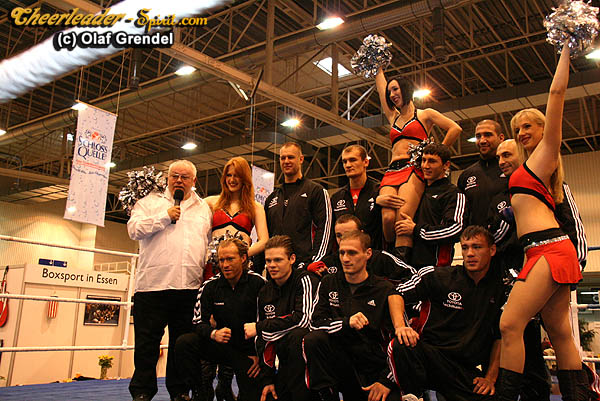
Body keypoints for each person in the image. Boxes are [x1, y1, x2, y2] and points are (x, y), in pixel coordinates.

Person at [495, 46, 590, 401]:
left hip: (548, 249)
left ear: (543, 129)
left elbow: (556, 92)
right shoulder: (529, 168)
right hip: (539, 251)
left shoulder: (546, 155)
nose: (521, 133)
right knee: (560, 333)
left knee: (509, 323)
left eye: (527, 126)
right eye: (516, 128)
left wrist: (565, 48)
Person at [127, 160, 212, 401]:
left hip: (189, 287)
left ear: (194, 181)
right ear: (167, 178)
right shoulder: (149, 202)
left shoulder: (203, 208)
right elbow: (133, 230)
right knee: (147, 344)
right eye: (175, 176)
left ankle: (179, 391)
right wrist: (164, 217)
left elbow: (206, 243)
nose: (179, 181)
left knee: (181, 345)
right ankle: (142, 391)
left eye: (184, 177)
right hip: (152, 286)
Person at [388, 226, 505, 401]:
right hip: (430, 357)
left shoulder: (499, 289)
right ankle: (414, 396)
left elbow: (500, 336)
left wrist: (490, 378)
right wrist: (400, 326)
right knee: (401, 344)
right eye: (465, 247)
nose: (470, 254)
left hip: (463, 369)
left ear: (492, 250)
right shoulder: (439, 276)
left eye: (477, 247)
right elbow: (396, 294)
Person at [304, 230, 402, 401]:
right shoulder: (329, 282)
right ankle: (327, 396)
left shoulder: (384, 289)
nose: (345, 259)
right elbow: (315, 323)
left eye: (352, 253)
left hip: (374, 368)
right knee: (313, 339)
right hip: (342, 365)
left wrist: (386, 381)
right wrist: (346, 322)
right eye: (342, 253)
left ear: (368, 254)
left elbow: (400, 342)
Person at [375, 68, 462, 262]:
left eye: (395, 89)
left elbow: (455, 128)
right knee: (387, 218)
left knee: (402, 219)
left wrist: (436, 153)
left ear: (405, 89)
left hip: (412, 169)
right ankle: (389, 256)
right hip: (392, 170)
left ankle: (402, 265)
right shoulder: (393, 117)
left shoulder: (425, 114)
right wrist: (378, 69)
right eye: (390, 91)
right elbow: (381, 92)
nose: (392, 94)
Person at [203, 157, 269, 401]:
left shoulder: (255, 207)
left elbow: (264, 239)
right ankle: (206, 383)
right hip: (213, 270)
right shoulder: (210, 203)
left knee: (236, 320)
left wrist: (241, 255)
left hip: (241, 273)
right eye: (228, 175)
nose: (232, 180)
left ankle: (226, 381)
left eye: (237, 176)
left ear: (245, 179)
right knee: (212, 321)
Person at [175, 238, 266, 401]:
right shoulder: (209, 286)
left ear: (243, 258)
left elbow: (267, 323)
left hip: (248, 353)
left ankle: (228, 388)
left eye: (230, 259)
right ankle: (200, 391)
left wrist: (259, 354)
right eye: (222, 260)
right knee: (185, 342)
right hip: (221, 346)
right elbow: (197, 323)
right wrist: (213, 333)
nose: (225, 265)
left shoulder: (259, 284)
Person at [243, 236, 318, 401]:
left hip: (308, 360)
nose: (271, 265)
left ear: (292, 259)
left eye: (277, 260)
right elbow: (261, 340)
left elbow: (303, 321)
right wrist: (267, 379)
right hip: (280, 358)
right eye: (268, 261)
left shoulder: (304, 280)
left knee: (298, 336)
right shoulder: (264, 292)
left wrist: (261, 327)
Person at [394, 143, 466, 269]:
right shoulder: (416, 190)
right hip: (407, 263)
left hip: (435, 266)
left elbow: (455, 229)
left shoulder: (453, 193)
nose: (426, 166)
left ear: (446, 165)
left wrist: (416, 230)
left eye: (432, 161)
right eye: (423, 160)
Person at [264, 142, 332, 267]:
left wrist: (315, 261)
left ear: (301, 159)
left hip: (304, 266)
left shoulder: (316, 191)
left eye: (290, 157)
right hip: (275, 268)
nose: (286, 161)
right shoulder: (271, 198)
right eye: (283, 158)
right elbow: (264, 236)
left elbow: (325, 229)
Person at [307, 214, 415, 284]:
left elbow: (413, 276)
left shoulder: (381, 258)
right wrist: (309, 269)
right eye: (339, 235)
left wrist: (392, 296)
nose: (343, 239)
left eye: (349, 234)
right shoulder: (329, 263)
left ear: (361, 234)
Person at [330, 144, 383, 249]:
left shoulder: (379, 191)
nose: (348, 165)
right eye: (344, 161)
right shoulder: (336, 197)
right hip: (346, 254)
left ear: (365, 162)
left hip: (373, 253)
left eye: (352, 160)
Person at [457, 120, 506, 226]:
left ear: (501, 137)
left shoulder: (510, 170)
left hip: (508, 236)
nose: (482, 140)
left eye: (488, 135)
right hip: (476, 235)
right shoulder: (466, 175)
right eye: (478, 136)